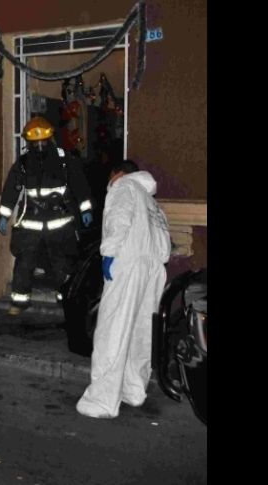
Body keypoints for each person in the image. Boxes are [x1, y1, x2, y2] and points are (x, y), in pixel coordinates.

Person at [76, 160, 171, 419]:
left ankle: (102, 400)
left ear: (118, 173)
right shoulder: (150, 200)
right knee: (141, 331)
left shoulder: (123, 187)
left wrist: (109, 252)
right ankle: (134, 389)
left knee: (113, 329)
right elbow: (164, 236)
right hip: (153, 267)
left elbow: (118, 218)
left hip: (128, 262)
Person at [0, 116, 93, 315]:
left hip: (60, 223)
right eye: (35, 143)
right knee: (24, 264)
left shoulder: (65, 160)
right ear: (29, 143)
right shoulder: (23, 163)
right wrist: (4, 215)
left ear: (50, 139)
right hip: (31, 223)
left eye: (43, 142)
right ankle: (19, 302)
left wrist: (86, 209)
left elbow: (80, 186)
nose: (39, 146)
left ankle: (65, 301)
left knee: (62, 265)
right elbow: (11, 190)